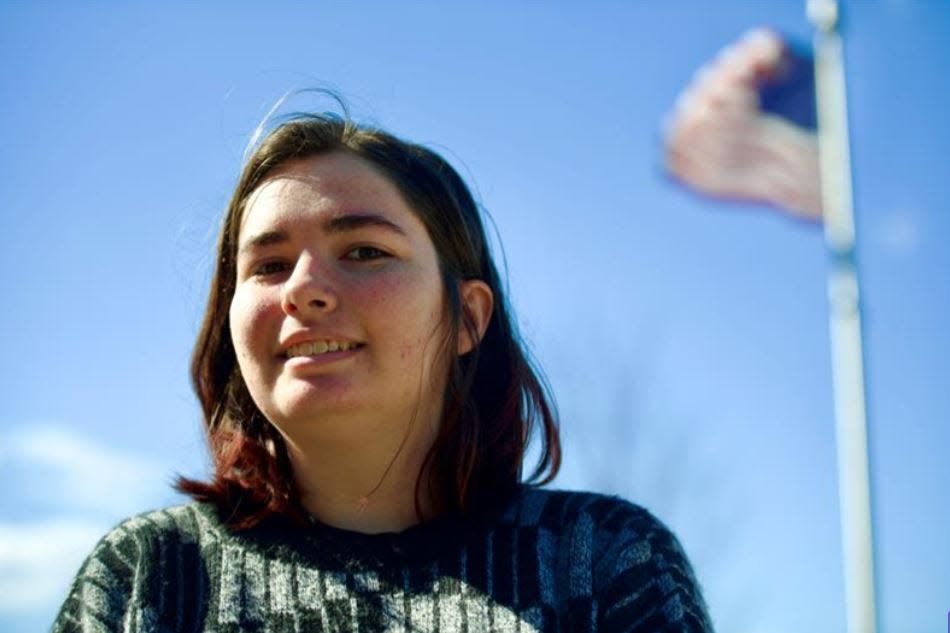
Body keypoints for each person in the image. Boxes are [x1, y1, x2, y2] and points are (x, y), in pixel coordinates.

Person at [50, 112, 714, 632]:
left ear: (468, 318)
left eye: (364, 250)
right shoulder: (147, 576)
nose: (303, 289)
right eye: (268, 265)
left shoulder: (603, 564)